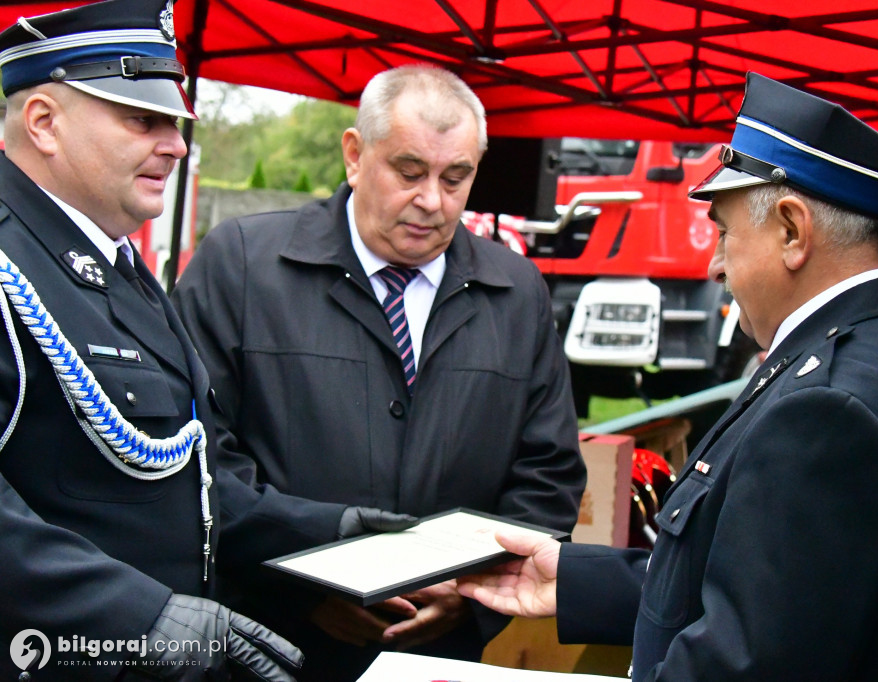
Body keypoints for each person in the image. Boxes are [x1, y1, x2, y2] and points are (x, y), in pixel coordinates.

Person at [457, 72, 878, 681]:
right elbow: (779, 597)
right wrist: (580, 583)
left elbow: (745, 662)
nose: (715, 264)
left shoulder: (828, 409)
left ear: (792, 231)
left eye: (724, 231)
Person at [0, 2, 414, 680]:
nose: (177, 146)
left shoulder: (119, 265)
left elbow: (183, 479)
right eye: (144, 121)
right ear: (44, 122)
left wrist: (328, 529)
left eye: (176, 123)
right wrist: (137, 616)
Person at [171, 64, 587, 679]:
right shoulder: (241, 266)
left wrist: (468, 598)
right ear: (354, 154)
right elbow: (196, 460)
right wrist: (305, 590)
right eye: (410, 172)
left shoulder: (517, 293)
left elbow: (547, 475)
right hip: (270, 649)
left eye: (456, 177)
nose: (433, 202)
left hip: (440, 657)